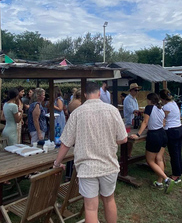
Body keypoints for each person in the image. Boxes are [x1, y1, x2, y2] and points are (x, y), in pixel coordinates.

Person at [53, 82, 127, 223]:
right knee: (109, 199)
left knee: (91, 208)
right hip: (109, 165)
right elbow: (123, 139)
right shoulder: (112, 110)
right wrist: (109, 141)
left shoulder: (77, 113)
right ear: (99, 93)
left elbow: (65, 144)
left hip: (87, 168)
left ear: (85, 95)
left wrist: (57, 163)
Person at [129, 93, 171, 192]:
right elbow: (162, 121)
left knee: (150, 161)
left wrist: (138, 134)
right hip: (163, 134)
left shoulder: (149, 107)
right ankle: (159, 182)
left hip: (154, 135)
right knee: (159, 159)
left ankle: (166, 179)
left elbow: (145, 121)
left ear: (149, 100)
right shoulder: (160, 108)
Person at [159, 89, 182, 184]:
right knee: (178, 152)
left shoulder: (166, 107)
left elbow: (162, 118)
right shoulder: (173, 103)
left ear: (161, 98)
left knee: (174, 153)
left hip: (172, 130)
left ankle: (176, 176)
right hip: (179, 128)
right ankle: (179, 170)